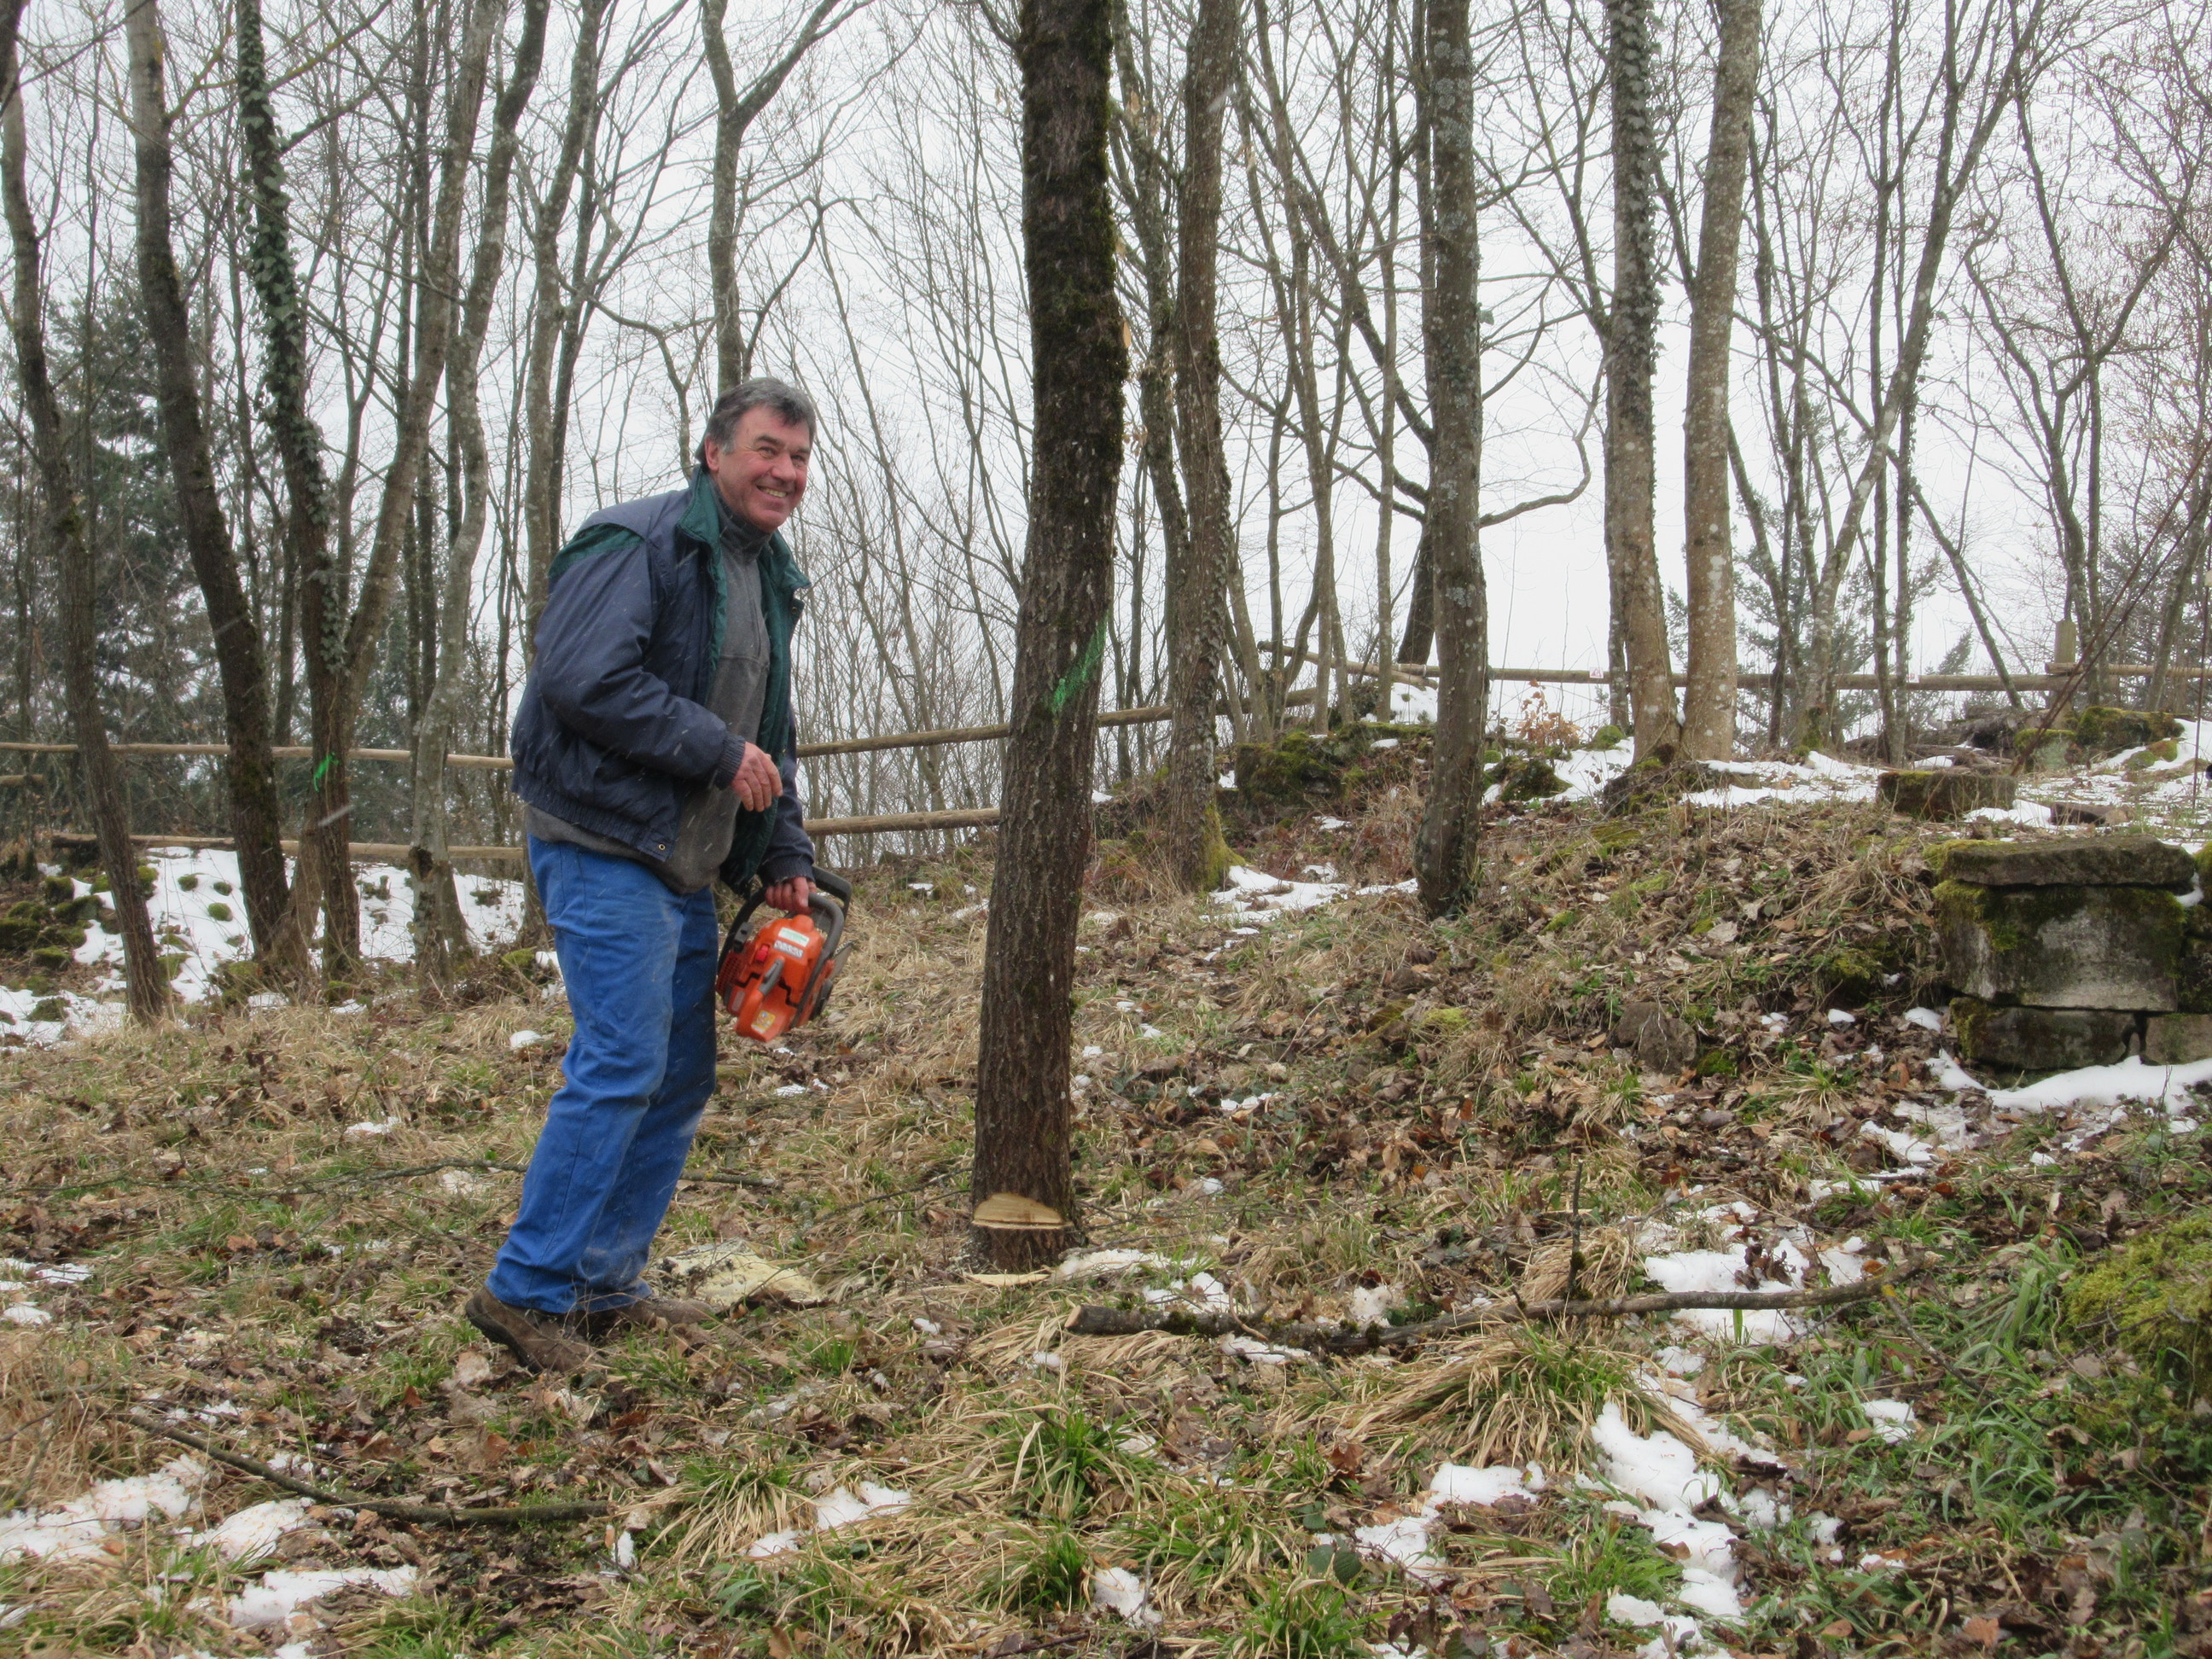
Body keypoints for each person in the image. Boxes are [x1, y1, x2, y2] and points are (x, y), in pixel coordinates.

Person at [467, 377, 821, 1373]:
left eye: (799, 458)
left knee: (677, 1074)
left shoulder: (766, 574)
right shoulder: (637, 542)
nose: (785, 473)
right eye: (766, 450)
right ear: (714, 452)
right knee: (624, 1060)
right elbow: (582, 678)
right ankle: (524, 1291)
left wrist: (783, 848)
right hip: (601, 840)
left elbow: (769, 737)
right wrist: (716, 751)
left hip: (684, 859)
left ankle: (601, 1282)